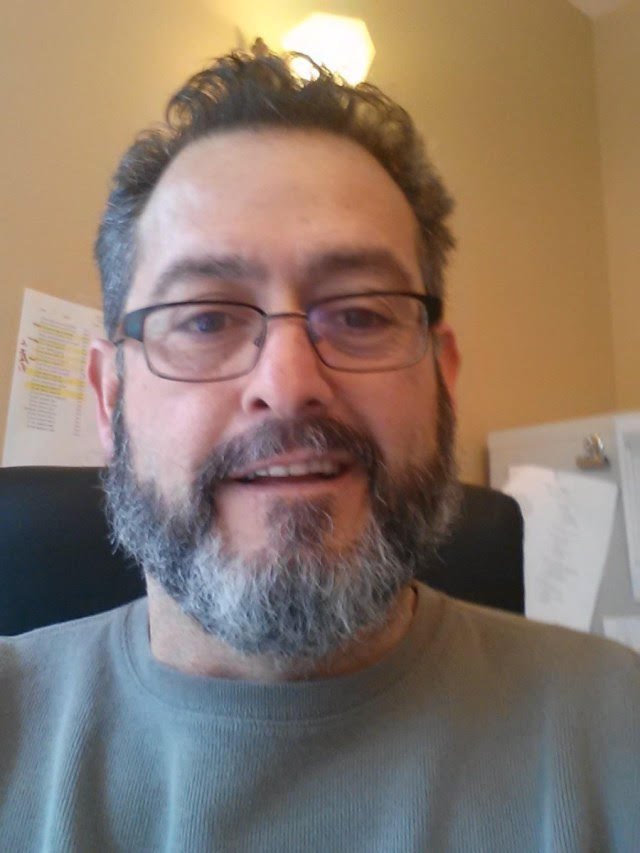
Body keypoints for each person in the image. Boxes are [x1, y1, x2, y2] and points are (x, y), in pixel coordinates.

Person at [1, 49, 638, 852]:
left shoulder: (619, 727)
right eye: (206, 318)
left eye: (362, 314)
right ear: (109, 395)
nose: (290, 383)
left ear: (441, 378)